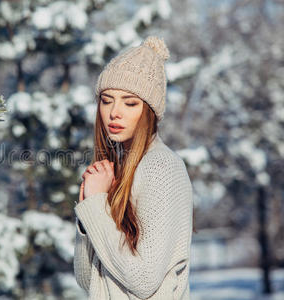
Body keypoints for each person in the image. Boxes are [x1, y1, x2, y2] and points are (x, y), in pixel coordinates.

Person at [73, 36, 194, 299]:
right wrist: (91, 212)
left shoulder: (160, 166)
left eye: (130, 102)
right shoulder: (117, 171)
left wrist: (95, 204)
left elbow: (143, 280)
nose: (114, 112)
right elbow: (88, 280)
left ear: (149, 111)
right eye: (106, 100)